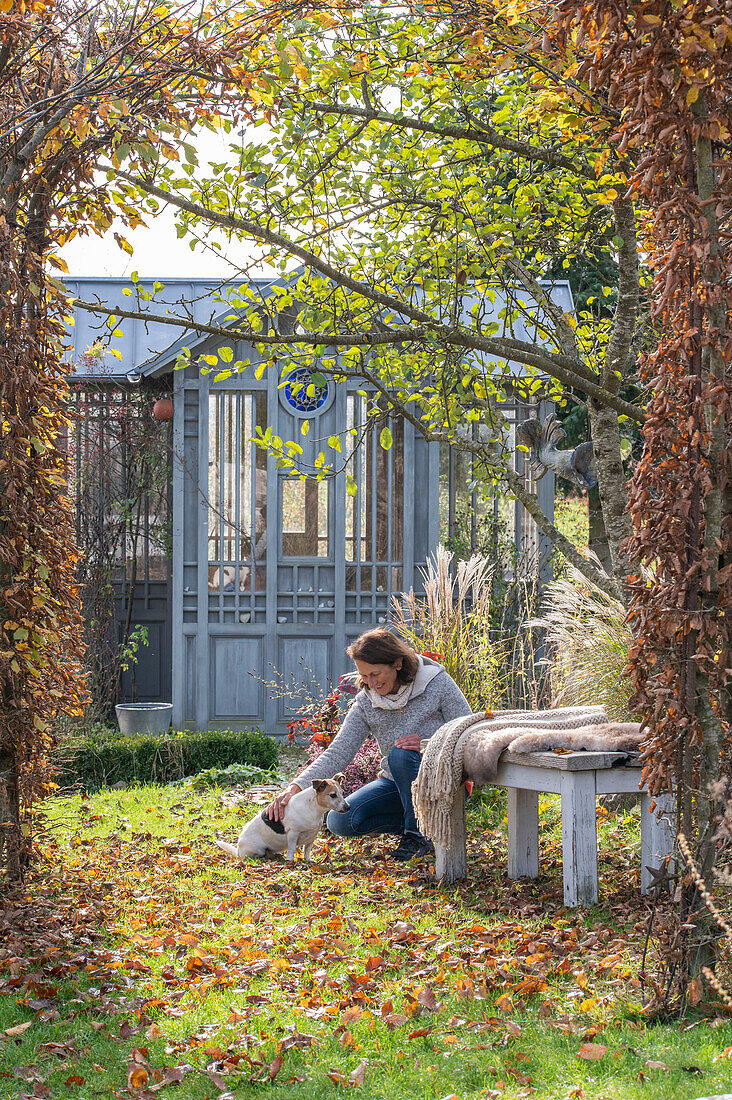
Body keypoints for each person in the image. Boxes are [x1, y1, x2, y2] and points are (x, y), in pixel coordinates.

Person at [265, 628, 471, 861]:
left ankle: (417, 836)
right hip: (396, 783)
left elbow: (468, 730)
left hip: (442, 782)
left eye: (376, 674)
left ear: (397, 664)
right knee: (340, 820)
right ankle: (423, 825)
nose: (371, 683)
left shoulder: (437, 683)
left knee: (401, 755)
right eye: (364, 676)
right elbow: (338, 752)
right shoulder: (366, 702)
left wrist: (427, 744)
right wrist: (296, 787)